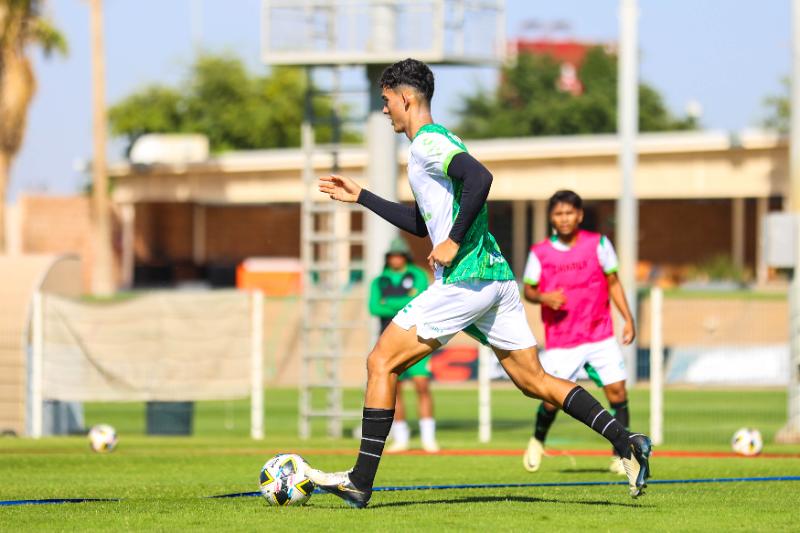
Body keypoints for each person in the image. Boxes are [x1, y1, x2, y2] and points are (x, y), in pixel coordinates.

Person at [309, 58, 651, 509]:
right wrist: (363, 197)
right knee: (534, 380)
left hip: (467, 280)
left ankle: (360, 481)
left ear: (405, 97)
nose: (385, 109)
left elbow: (481, 178)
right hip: (496, 279)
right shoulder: (439, 142)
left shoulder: (428, 143)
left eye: (386, 100)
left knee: (380, 363)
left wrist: (451, 242)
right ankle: (627, 442)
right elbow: (420, 221)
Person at [521, 190, 636, 476]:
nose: (564, 218)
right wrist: (545, 298)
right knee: (550, 399)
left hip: (600, 333)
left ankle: (621, 455)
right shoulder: (540, 252)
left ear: (580, 215)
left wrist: (628, 319)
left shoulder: (598, 243)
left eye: (569, 213)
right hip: (562, 339)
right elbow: (529, 290)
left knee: (617, 391)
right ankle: (537, 440)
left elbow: (613, 282)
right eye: (558, 213)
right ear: (551, 217)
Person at [369, 237, 439, 453]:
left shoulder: (417, 275)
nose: (396, 259)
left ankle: (428, 437)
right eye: (392, 256)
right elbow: (373, 307)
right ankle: (401, 437)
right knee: (394, 389)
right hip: (388, 341)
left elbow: (419, 300)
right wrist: (403, 304)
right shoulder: (379, 281)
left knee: (422, 386)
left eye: (399, 255)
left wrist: (388, 303)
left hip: (416, 339)